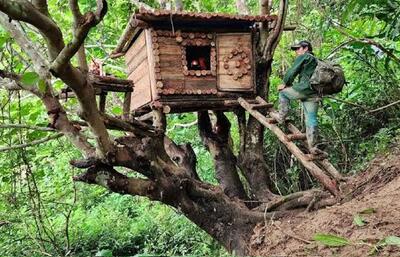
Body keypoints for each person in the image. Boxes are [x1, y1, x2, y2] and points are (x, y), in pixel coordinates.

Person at [276, 40, 323, 155]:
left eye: (298, 48)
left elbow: (292, 71)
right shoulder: (316, 60)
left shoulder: (305, 57)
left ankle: (281, 116)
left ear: (306, 48)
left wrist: (285, 83)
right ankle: (313, 146)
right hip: (315, 93)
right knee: (311, 118)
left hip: (305, 89)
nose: (296, 51)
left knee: (283, 93)